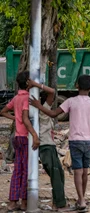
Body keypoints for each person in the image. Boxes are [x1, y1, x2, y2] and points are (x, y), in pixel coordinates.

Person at [30, 75, 90, 211]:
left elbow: (54, 114)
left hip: (75, 141)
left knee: (77, 172)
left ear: (76, 86)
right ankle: (81, 199)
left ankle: (82, 200)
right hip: (87, 141)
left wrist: (38, 106)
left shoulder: (71, 102)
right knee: (85, 171)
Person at [0, 71, 40, 211]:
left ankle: (13, 201)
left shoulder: (17, 98)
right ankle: (23, 201)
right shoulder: (27, 98)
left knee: (18, 170)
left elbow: (3, 111)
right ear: (29, 82)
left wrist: (14, 119)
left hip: (17, 137)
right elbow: (25, 118)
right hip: (25, 137)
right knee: (25, 171)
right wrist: (35, 135)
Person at [27, 79, 68, 210]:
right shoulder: (43, 109)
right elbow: (52, 92)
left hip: (46, 145)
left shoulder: (36, 109)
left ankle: (58, 201)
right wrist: (36, 85)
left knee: (58, 174)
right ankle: (59, 203)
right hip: (46, 146)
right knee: (57, 174)